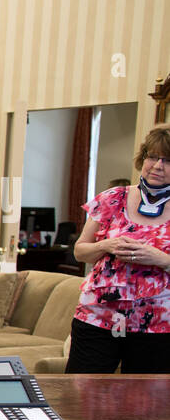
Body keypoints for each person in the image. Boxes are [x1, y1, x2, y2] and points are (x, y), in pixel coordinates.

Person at [65, 125, 170, 374]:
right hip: (98, 317)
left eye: (167, 160)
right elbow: (80, 251)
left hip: (157, 324)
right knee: (81, 394)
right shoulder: (113, 198)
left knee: (144, 406)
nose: (157, 166)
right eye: (152, 157)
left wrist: (161, 258)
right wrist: (105, 245)